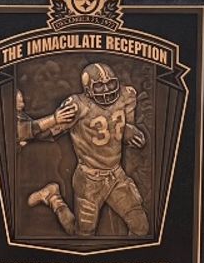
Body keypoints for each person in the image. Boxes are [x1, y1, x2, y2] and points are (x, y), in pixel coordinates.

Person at [22, 62, 150, 237]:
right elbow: (48, 133)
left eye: (110, 83)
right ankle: (54, 199)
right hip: (89, 181)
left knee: (141, 227)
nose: (106, 90)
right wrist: (40, 125)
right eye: (99, 86)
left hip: (116, 175)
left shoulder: (126, 95)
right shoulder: (77, 106)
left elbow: (126, 127)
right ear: (88, 90)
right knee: (82, 234)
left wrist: (129, 131)